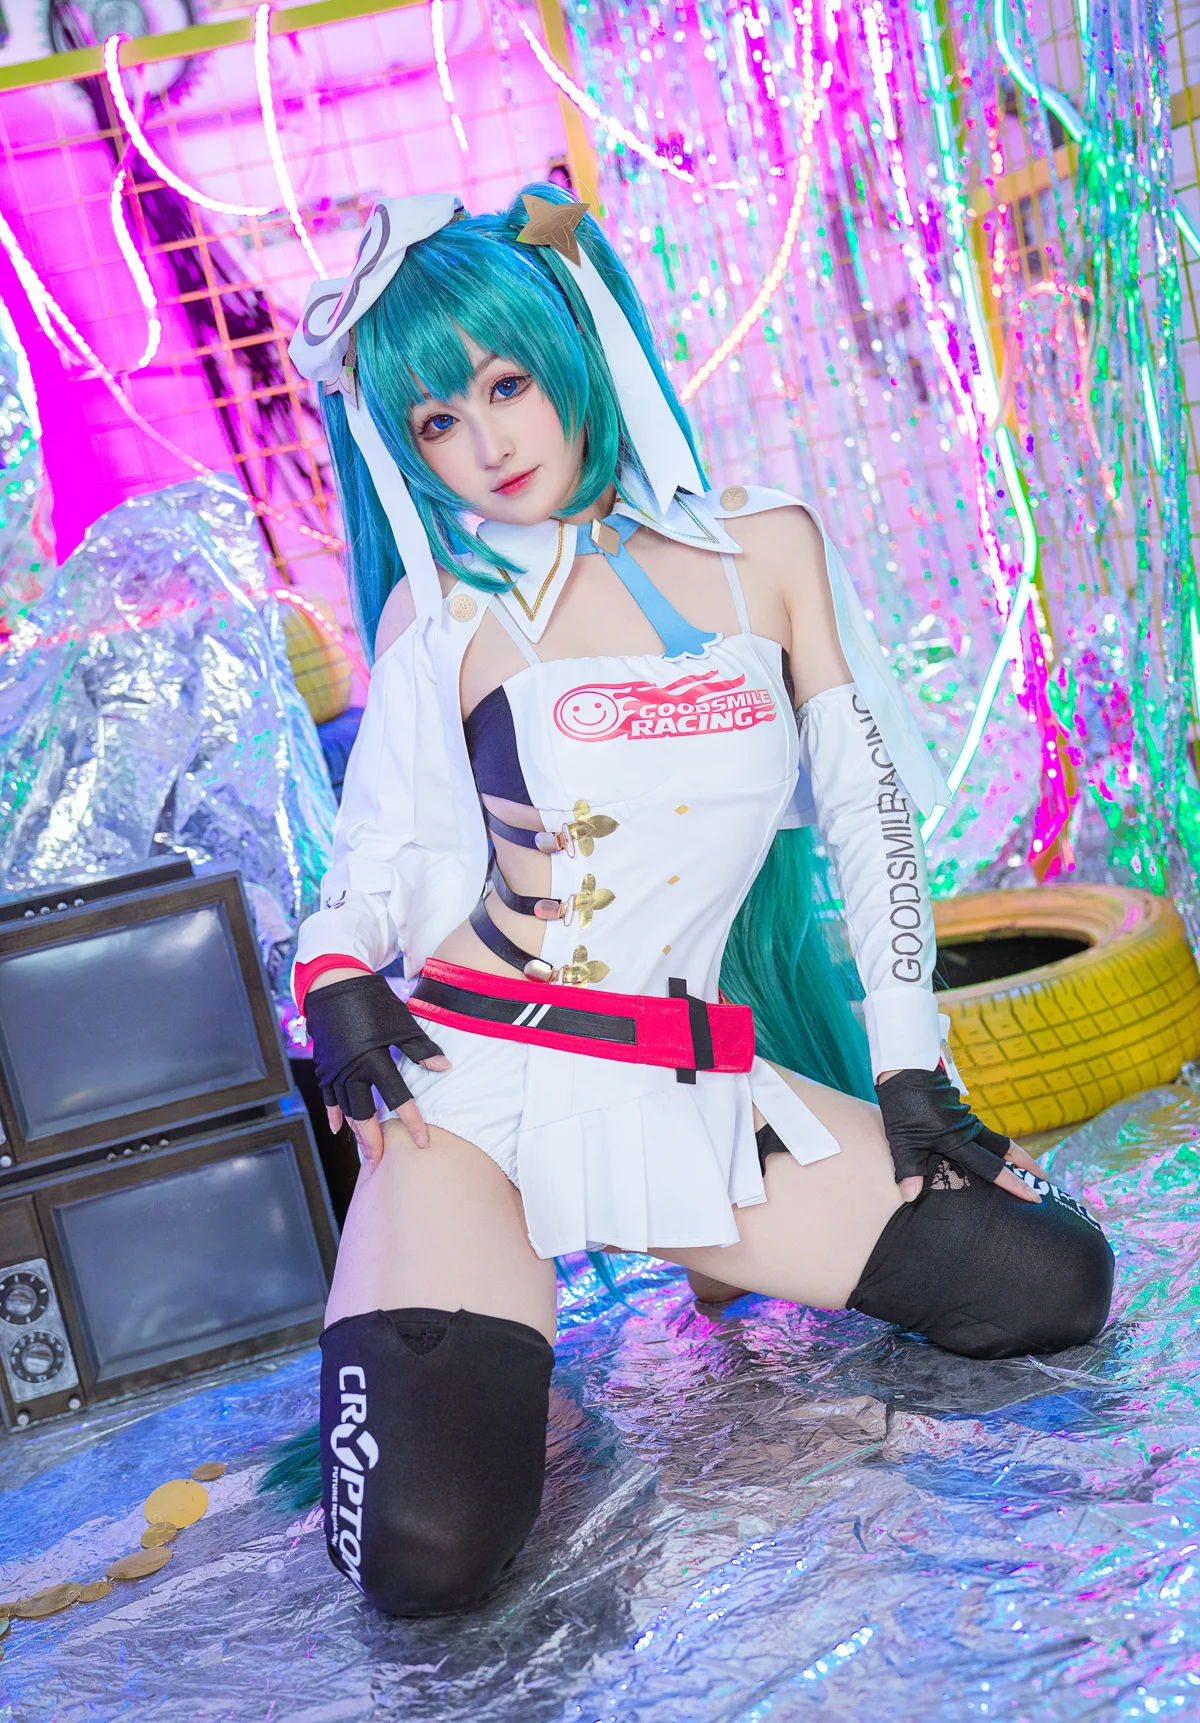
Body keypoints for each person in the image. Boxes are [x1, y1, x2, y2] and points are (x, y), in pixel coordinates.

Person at [285, 185, 1114, 1618]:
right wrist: (339, 977)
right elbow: (373, 868)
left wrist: (912, 1066)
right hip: (468, 1098)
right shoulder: (445, 608)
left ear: (572, 352)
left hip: (687, 1093)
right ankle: (464, 1306)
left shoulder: (765, 549)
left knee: (1051, 1281)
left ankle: (682, 1243)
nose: (488, 444)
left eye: (505, 385)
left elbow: (868, 819)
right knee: (425, 1551)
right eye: (437, 420)